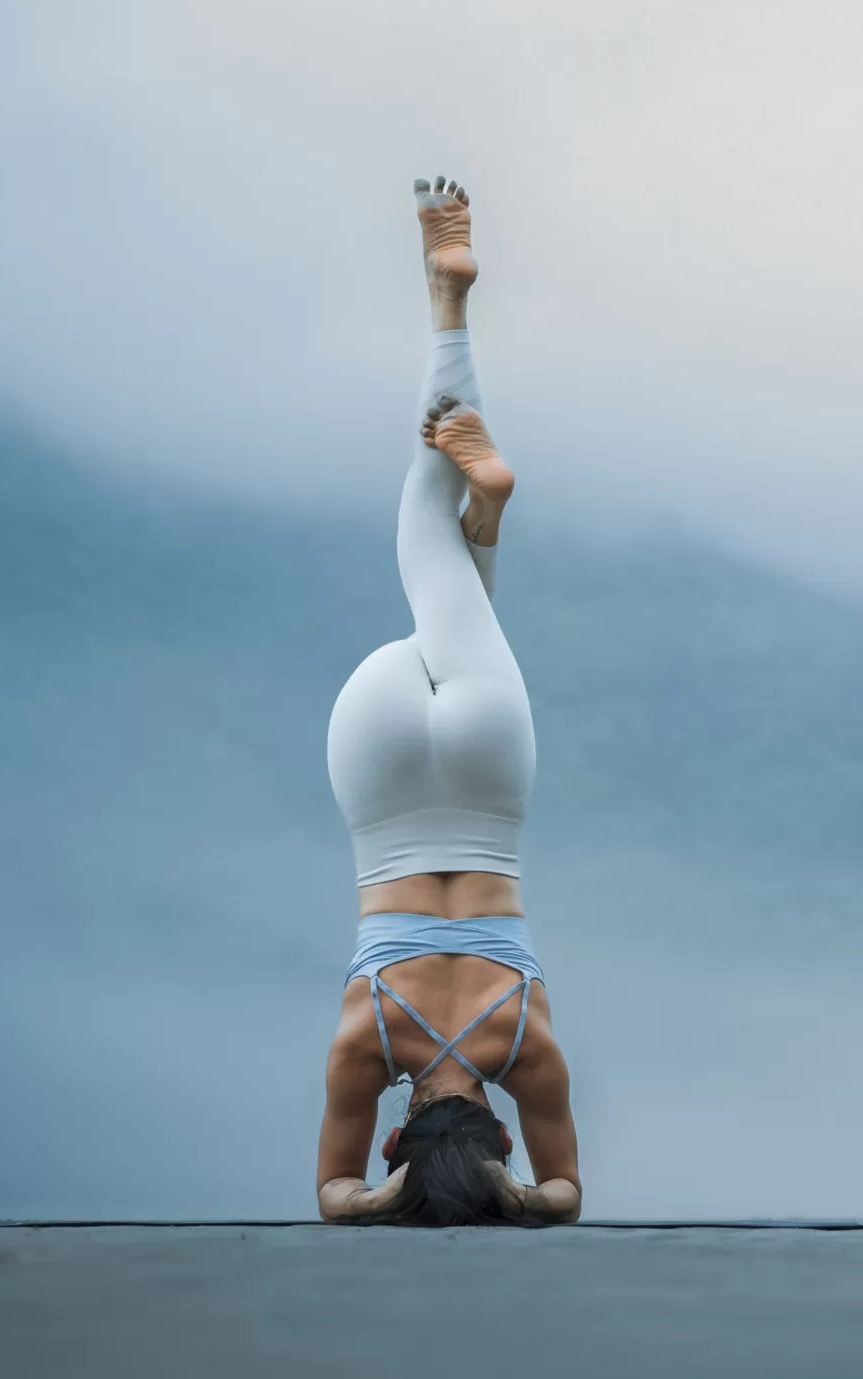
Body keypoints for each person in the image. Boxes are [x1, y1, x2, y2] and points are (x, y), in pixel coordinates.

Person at [311, 175, 581, 1226]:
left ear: (501, 1132)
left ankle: (452, 311)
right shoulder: (362, 1039)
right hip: (380, 771)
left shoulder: (532, 1045)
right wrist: (375, 1199)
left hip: (487, 776)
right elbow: (331, 1193)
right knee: (431, 553)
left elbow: (565, 1191)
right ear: (397, 1133)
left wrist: (524, 1193)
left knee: (457, 579)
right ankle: (445, 309)